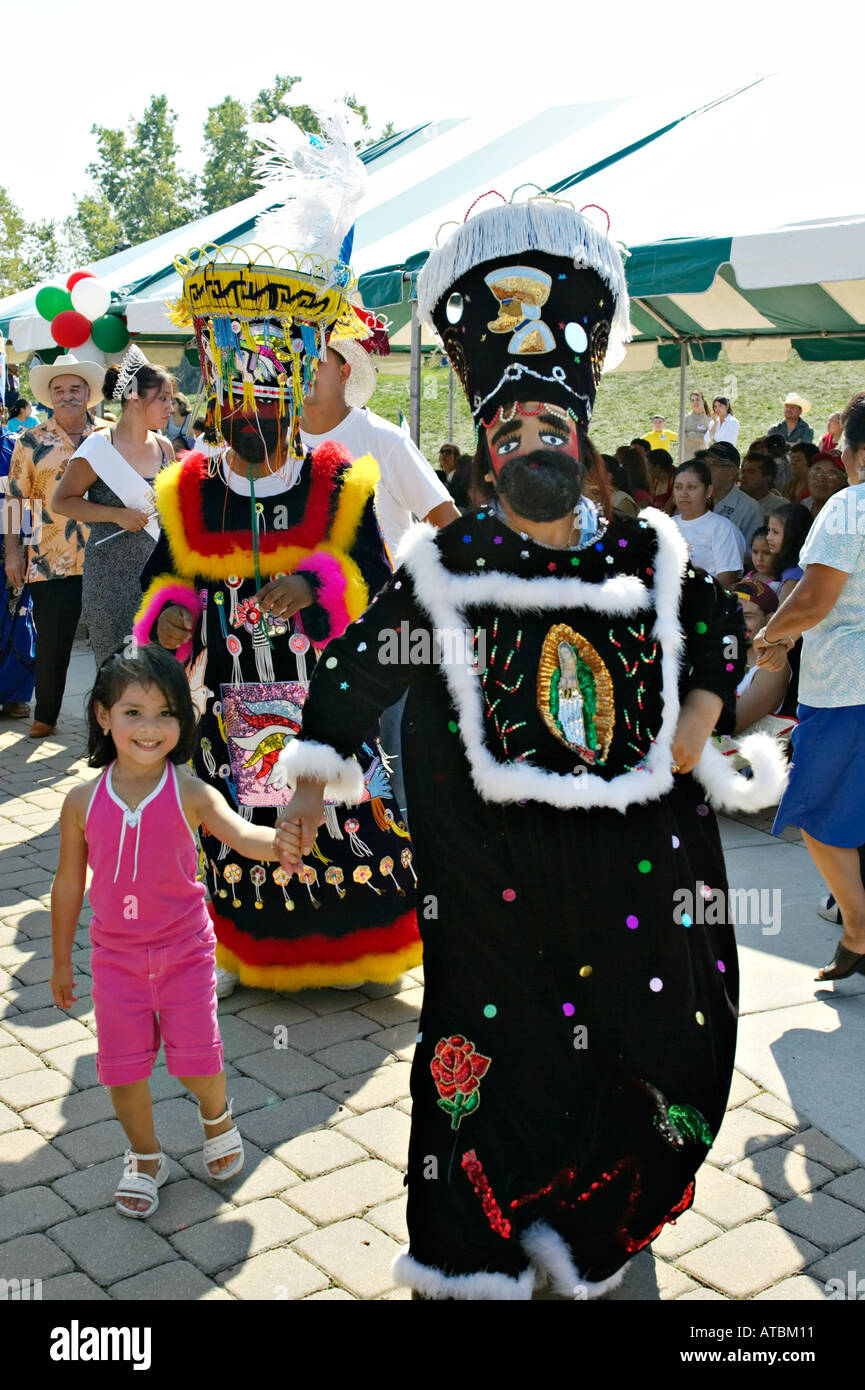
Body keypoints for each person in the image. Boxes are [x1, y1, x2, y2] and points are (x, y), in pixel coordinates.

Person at [275, 197, 783, 1301]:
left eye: (546, 431)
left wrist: (692, 730)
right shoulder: (447, 562)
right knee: (493, 1046)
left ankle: (598, 1211)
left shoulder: (649, 556)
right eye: (507, 435)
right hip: (490, 867)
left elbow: (714, 631)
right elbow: (364, 666)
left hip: (631, 863)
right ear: (486, 448)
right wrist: (311, 781)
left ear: (580, 437)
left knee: (645, 1034)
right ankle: (479, 1241)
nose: (527, 449)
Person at [136, 123, 420, 998]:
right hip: (229, 696)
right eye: (238, 410)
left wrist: (312, 584)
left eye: (269, 408)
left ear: (294, 402)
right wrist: (176, 619)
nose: (253, 425)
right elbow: (164, 586)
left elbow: (377, 585)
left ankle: (358, 954)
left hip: (323, 695)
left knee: (346, 823)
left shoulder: (340, 480)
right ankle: (242, 953)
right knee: (240, 822)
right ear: (218, 404)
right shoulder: (187, 488)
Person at [50, 645, 297, 1218]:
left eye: (166, 713)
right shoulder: (80, 802)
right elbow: (66, 886)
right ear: (102, 715)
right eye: (132, 712)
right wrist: (61, 961)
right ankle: (144, 1156)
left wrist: (282, 843)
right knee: (121, 1072)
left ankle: (217, 1116)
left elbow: (242, 837)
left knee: (196, 1065)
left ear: (183, 721)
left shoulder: (191, 792)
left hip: (185, 955)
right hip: (116, 964)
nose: (149, 727)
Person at [758, 390, 865, 981]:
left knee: (817, 814)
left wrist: (770, 638)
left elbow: (814, 598)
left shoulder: (851, 506)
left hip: (849, 689)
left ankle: (858, 929)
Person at [51, 348, 175, 667]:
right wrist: (115, 515)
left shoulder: (165, 447)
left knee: (158, 667)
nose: (170, 407)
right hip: (110, 576)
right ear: (134, 398)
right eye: (162, 398)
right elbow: (61, 501)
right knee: (117, 669)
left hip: (158, 572)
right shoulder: (98, 447)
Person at [4, 353, 105, 738]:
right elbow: (14, 499)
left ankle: (110, 719)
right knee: (53, 643)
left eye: (74, 389)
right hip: (50, 559)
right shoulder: (30, 441)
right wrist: (12, 552)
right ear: (49, 396)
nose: (67, 396)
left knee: (111, 643)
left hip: (107, 555)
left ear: (88, 394)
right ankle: (45, 715)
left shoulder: (109, 436)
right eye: (59, 390)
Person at [298, 339, 458, 564]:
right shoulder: (275, 442)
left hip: (381, 597)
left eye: (317, 360)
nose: (304, 369)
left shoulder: (384, 440)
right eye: (295, 357)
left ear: (344, 373)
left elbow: (449, 524)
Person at [0, 423, 36, 719]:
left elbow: (26, 500)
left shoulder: (16, 448)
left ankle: (15, 695)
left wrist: (22, 550)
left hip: (12, 555)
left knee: (19, 624)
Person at [671, 458, 744, 587]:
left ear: (709, 491)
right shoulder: (665, 526)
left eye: (692, 487)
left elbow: (725, 584)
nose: (683, 493)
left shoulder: (723, 529)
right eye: (678, 487)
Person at [731, 580, 790, 734]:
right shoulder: (723, 650)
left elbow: (730, 724)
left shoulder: (772, 666)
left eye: (747, 616)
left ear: (769, 619)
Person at [701, 443, 762, 548]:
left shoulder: (749, 508)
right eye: (705, 463)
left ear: (732, 473)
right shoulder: (695, 499)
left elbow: (751, 555)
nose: (707, 468)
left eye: (714, 464)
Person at [765, 503, 812, 603]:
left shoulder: (794, 576)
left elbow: (782, 613)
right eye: (769, 530)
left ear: (794, 534)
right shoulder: (791, 569)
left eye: (775, 532)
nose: (768, 537)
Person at [738, 450, 786, 520]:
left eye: (750, 472)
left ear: (767, 478)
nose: (743, 476)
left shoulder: (780, 507)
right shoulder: (732, 500)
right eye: (743, 471)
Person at [802, 451, 847, 518]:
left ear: (843, 482)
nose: (821, 479)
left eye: (831, 474)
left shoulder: (844, 515)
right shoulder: (804, 505)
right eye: (817, 470)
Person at [745, 526, 782, 591]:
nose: (759, 559)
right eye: (755, 552)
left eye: (767, 553)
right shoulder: (749, 576)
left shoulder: (779, 584)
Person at [682, 391, 711, 461]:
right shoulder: (685, 418)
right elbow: (680, 436)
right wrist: (699, 435)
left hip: (702, 457)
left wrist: (690, 434)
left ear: (703, 402)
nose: (695, 402)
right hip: (686, 457)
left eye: (698, 399)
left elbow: (708, 438)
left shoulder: (709, 419)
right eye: (692, 400)